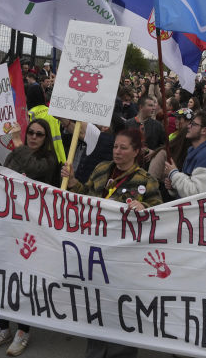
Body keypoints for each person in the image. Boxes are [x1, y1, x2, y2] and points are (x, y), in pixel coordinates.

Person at [60, 128, 160, 358]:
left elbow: (160, 216)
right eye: (115, 146)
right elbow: (85, 197)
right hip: (95, 254)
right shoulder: (101, 169)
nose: (117, 151)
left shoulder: (146, 180)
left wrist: (145, 208)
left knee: (123, 311)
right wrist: (73, 181)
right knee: (96, 307)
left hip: (124, 261)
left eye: (123, 148)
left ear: (136, 151)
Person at [0, 119, 61, 356]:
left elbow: (34, 170)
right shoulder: (15, 154)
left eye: (39, 134)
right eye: (30, 132)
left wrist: (17, 142)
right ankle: (3, 326)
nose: (33, 137)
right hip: (9, 223)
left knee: (25, 280)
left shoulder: (49, 160)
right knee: (2, 276)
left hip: (32, 229)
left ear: (46, 138)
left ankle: (23, 330)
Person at [164, 110, 206, 198]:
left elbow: (197, 193)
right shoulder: (196, 152)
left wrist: (174, 174)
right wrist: (174, 186)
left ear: (204, 130)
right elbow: (190, 185)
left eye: (193, 124)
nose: (188, 126)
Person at [126, 96, 167, 166]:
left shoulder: (158, 126)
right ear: (141, 107)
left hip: (149, 165)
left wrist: (154, 152)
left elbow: (165, 145)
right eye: (150, 105)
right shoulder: (128, 124)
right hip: (130, 163)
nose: (153, 108)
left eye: (154, 106)